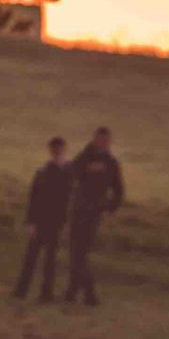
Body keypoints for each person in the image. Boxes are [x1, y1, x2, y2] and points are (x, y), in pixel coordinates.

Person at [62, 125, 124, 307]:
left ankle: (89, 294)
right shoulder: (83, 157)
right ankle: (72, 292)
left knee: (81, 252)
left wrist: (109, 208)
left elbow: (119, 190)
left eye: (106, 140)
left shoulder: (111, 163)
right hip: (78, 208)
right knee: (75, 251)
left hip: (95, 211)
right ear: (95, 139)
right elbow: (71, 175)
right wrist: (88, 169)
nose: (103, 143)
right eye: (100, 139)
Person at [12, 136, 73, 301]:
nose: (56, 152)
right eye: (54, 149)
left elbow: (71, 199)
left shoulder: (70, 172)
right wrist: (31, 222)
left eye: (59, 149)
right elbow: (34, 198)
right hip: (41, 220)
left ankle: (46, 293)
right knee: (31, 257)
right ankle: (22, 291)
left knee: (50, 259)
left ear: (64, 149)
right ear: (51, 150)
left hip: (57, 221)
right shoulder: (43, 172)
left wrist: (67, 221)